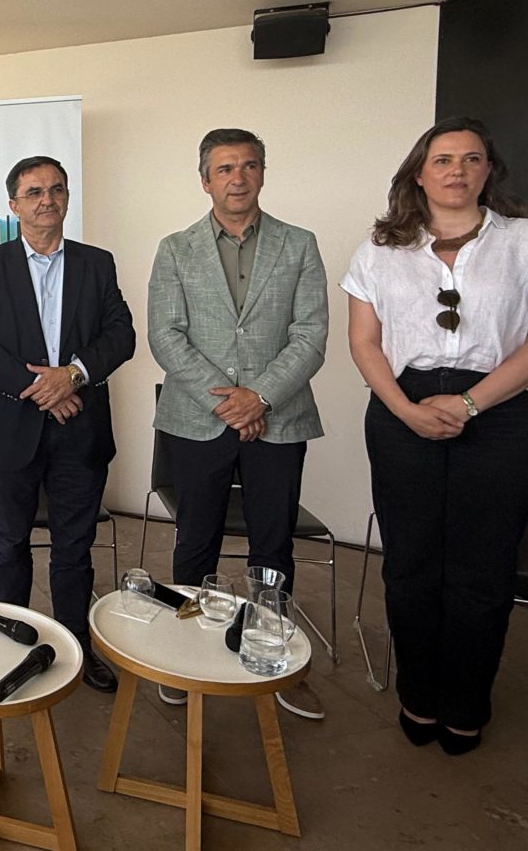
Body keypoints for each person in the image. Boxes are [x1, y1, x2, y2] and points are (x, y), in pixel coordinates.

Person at [342, 116, 528, 754]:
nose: (457, 170)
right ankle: (418, 697)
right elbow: (364, 343)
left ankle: (466, 706)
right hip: (402, 410)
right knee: (410, 565)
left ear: (488, 170)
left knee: (482, 571)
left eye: (471, 159)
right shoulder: (380, 249)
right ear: (420, 173)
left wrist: (469, 403)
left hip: (500, 414)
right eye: (443, 159)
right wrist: (405, 409)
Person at [148, 127, 329, 719]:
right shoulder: (176, 249)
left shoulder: (299, 244)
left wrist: (262, 398)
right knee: (194, 539)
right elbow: (165, 335)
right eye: (224, 169)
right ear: (205, 181)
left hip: (279, 418)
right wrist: (230, 403)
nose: (238, 178)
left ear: (262, 174)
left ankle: (271, 653)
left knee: (273, 542)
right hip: (198, 420)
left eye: (249, 166)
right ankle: (186, 655)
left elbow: (311, 335)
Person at [0, 155, 135, 691]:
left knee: (74, 547)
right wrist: (41, 389)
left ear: (67, 198)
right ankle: (13, 649)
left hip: (80, 430)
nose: (47, 200)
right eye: (34, 192)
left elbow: (121, 335)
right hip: (9, 429)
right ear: (14, 205)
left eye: (56, 189)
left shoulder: (96, 264)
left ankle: (76, 647)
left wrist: (72, 376)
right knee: (9, 543)